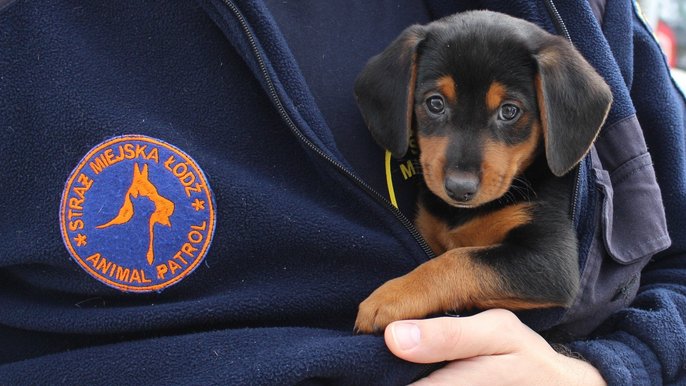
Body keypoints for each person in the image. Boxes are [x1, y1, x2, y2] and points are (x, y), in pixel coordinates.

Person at [0, 0, 683, 384]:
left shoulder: (572, 17)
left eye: (509, 115)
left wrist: (607, 373)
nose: (464, 171)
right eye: (436, 110)